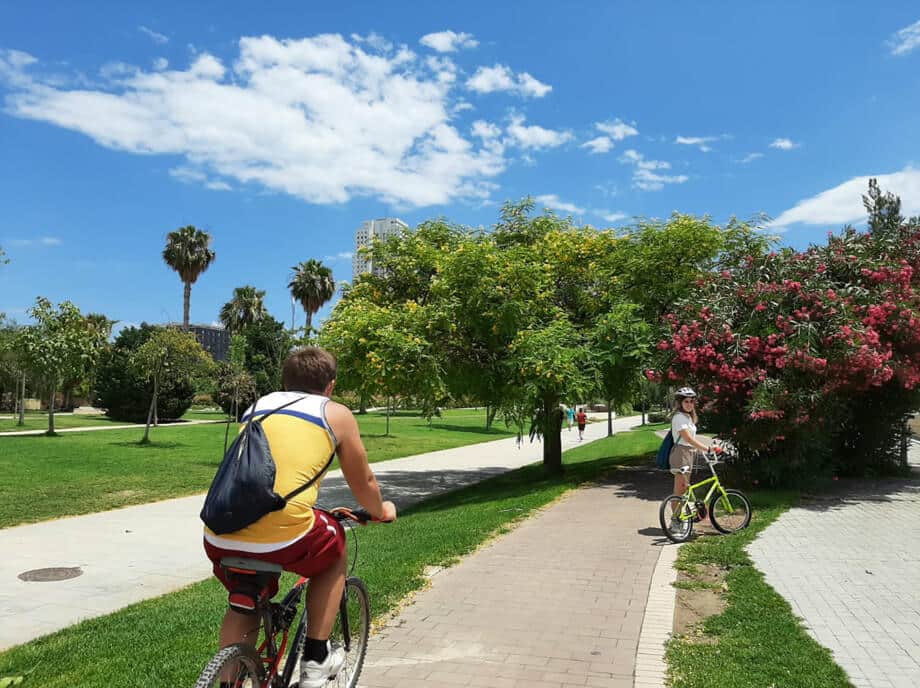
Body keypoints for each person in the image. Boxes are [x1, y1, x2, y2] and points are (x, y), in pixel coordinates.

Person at [202, 346, 397, 688]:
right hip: (285, 530)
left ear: (285, 381)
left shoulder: (258, 406)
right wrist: (381, 511)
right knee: (334, 544)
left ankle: (228, 681)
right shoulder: (335, 413)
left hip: (220, 530)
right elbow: (363, 481)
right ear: (330, 386)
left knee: (245, 599)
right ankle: (316, 661)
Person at [669, 387, 719, 499]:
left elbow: (692, 439)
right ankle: (676, 516)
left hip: (688, 453)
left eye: (691, 401)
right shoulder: (679, 417)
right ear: (680, 403)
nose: (689, 404)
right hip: (680, 454)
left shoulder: (688, 417)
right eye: (686, 401)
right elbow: (688, 439)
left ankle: (682, 515)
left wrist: (699, 448)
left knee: (685, 489)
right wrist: (708, 449)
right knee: (679, 491)